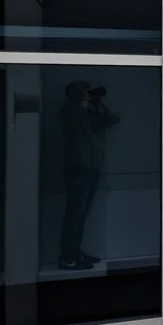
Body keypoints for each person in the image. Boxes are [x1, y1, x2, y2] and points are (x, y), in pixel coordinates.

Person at [57, 80, 119, 270]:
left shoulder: (85, 111)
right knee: (75, 213)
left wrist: (98, 104)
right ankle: (68, 257)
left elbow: (110, 120)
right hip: (78, 167)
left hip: (89, 167)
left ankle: (74, 252)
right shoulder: (69, 110)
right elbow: (73, 125)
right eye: (83, 91)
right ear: (74, 94)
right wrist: (84, 105)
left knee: (81, 213)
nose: (87, 93)